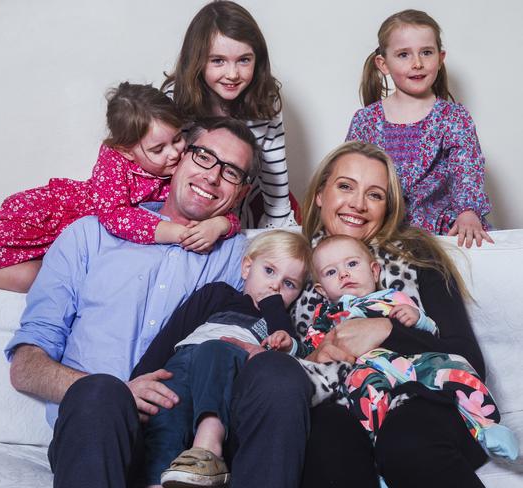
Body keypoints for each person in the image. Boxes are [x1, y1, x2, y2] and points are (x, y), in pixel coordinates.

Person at [5, 117, 315, 488]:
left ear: (243, 192)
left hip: (191, 442)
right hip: (97, 432)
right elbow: (26, 366)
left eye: (232, 172)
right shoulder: (89, 236)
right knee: (102, 394)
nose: (213, 177)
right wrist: (122, 393)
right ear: (180, 157)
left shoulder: (244, 259)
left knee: (279, 375)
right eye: (204, 157)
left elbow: (302, 274)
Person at [0, 83, 239, 292]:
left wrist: (221, 224)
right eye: (159, 149)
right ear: (126, 148)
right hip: (47, 218)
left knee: (31, 277)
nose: (175, 152)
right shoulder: (115, 160)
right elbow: (114, 216)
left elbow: (221, 205)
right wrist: (174, 232)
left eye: (177, 140)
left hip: (68, 243)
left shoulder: (184, 164)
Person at [289, 140, 495, 487]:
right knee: (324, 442)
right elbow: (273, 353)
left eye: (375, 194)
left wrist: (386, 330)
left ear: (388, 207)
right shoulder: (290, 262)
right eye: (345, 187)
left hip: (421, 399)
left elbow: (469, 360)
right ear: (320, 193)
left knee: (406, 441)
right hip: (338, 404)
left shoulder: (417, 258)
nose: (357, 203)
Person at [132, 230, 349, 488]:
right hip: (182, 362)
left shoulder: (278, 321)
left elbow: (289, 352)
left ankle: (208, 450)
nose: (275, 285)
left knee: (215, 349)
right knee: (165, 414)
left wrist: (274, 307)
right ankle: (160, 479)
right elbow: (171, 334)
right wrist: (137, 381)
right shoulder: (218, 294)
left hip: (225, 365)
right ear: (247, 267)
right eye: (269, 271)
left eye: (289, 284)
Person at [302, 234, 516, 461]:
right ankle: (374, 458)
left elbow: (430, 331)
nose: (344, 273)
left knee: (456, 368)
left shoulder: (391, 297)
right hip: (366, 370)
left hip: (411, 364)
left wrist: (417, 318)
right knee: (364, 400)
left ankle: (486, 426)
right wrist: (291, 345)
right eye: (331, 272)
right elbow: (311, 350)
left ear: (374, 271)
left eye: (352, 264)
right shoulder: (326, 318)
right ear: (322, 290)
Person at [346, 9, 492, 248]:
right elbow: (351, 174)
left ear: (440, 57)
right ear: (383, 64)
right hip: (380, 222)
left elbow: (466, 169)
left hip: (440, 222)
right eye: (403, 54)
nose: (417, 63)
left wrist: (468, 211)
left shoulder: (454, 117)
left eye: (426, 52)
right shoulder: (366, 120)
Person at [162, 0, 296, 229]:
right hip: (173, 216)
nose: (232, 74)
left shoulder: (265, 100)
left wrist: (280, 231)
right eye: (218, 61)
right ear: (197, 60)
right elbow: (158, 169)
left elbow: (275, 182)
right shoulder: (174, 98)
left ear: (258, 59)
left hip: (228, 222)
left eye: (244, 60)